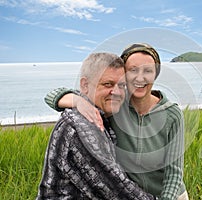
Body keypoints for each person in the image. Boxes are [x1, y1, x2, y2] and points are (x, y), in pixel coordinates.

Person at [45, 43, 189, 200]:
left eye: (148, 71)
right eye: (133, 70)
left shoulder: (172, 114)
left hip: (170, 196)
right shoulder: (115, 104)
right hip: (132, 195)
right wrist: (78, 101)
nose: (140, 77)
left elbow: (174, 174)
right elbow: (51, 96)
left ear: (155, 75)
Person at [37, 52, 156, 200]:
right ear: (85, 85)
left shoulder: (97, 114)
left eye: (122, 85)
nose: (117, 92)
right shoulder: (80, 127)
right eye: (108, 84)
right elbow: (117, 190)